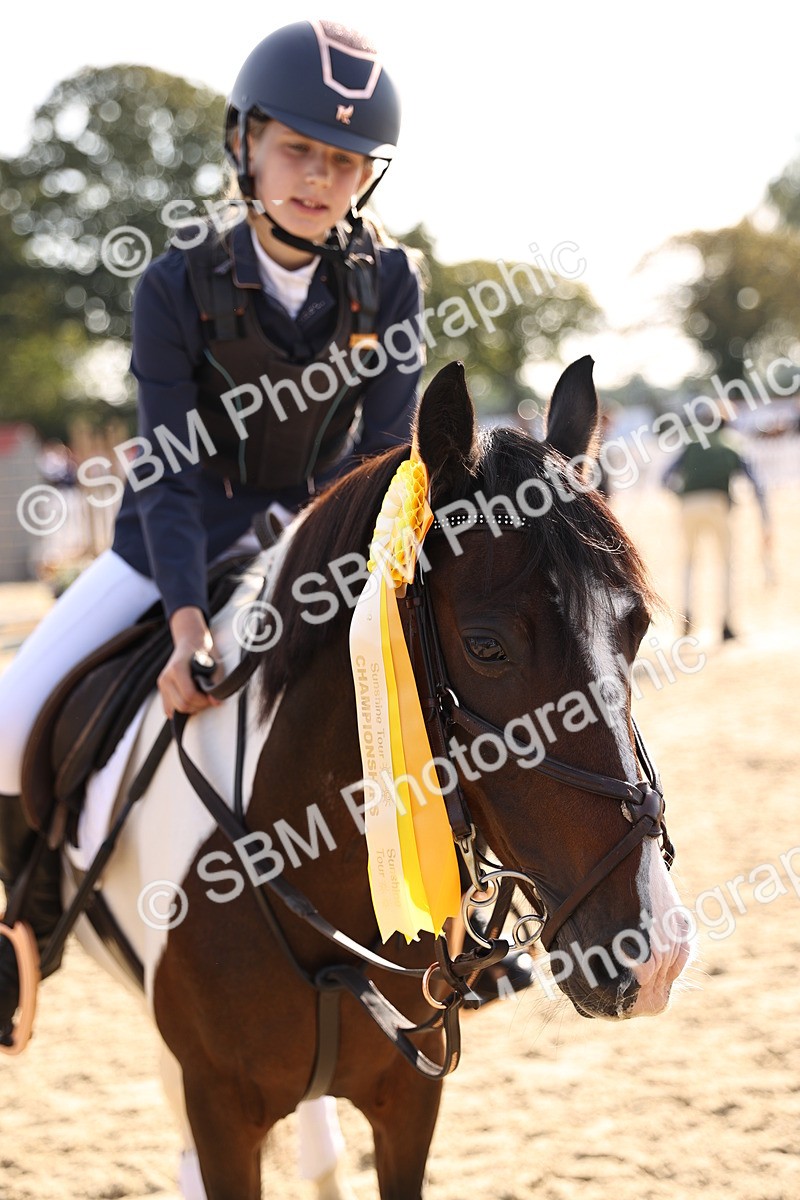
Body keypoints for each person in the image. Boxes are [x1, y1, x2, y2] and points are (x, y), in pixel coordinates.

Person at [0, 18, 423, 1042]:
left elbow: (388, 455)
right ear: (244, 144)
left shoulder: (387, 282)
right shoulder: (174, 283)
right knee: (10, 716)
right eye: (297, 150)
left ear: (368, 175)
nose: (318, 177)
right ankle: (25, 924)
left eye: (343, 160)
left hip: (314, 557)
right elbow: (172, 465)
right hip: (169, 550)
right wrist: (189, 624)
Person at [662, 418, 771, 640]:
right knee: (726, 564)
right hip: (718, 504)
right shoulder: (731, 443)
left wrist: (682, 496)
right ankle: (726, 623)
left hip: (688, 506)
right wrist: (764, 518)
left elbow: (665, 479)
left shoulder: (692, 442)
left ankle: (687, 618)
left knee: (689, 563)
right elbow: (756, 484)